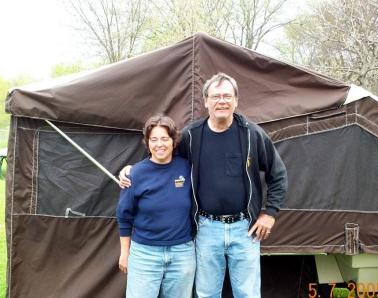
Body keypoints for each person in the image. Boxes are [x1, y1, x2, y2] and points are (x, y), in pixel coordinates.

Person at [120, 73, 287, 298]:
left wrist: (271, 213)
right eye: (215, 96)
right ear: (206, 101)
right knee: (207, 294)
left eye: (227, 96)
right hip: (207, 228)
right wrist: (132, 170)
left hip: (245, 229)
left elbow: (278, 174)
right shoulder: (192, 136)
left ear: (236, 100)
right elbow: (161, 155)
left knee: (247, 293)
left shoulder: (251, 134)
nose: (222, 101)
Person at [116, 115, 196, 298]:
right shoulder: (135, 174)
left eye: (164, 139)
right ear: (147, 142)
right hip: (144, 254)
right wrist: (124, 253)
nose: (159, 144)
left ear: (173, 141)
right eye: (154, 139)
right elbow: (124, 215)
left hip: (182, 253)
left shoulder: (187, 168)